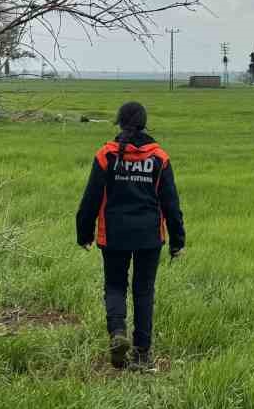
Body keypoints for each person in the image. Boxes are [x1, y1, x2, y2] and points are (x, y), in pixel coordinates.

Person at [76, 101, 185, 371]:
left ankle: (117, 333)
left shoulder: (106, 155)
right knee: (144, 291)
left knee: (115, 286)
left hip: (113, 235)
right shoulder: (159, 157)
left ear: (120, 123)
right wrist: (177, 242)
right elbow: (171, 203)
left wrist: (84, 234)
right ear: (144, 124)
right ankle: (142, 354)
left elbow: (90, 198)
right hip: (149, 236)